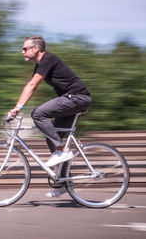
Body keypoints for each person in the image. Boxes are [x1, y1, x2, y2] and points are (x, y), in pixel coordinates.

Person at [9, 36, 92, 197]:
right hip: (73, 100)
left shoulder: (48, 58)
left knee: (38, 114)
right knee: (52, 135)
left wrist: (17, 108)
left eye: (25, 48)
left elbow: (32, 86)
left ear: (35, 49)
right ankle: (63, 182)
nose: (22, 51)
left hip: (77, 98)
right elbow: (29, 86)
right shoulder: (41, 65)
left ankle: (61, 150)